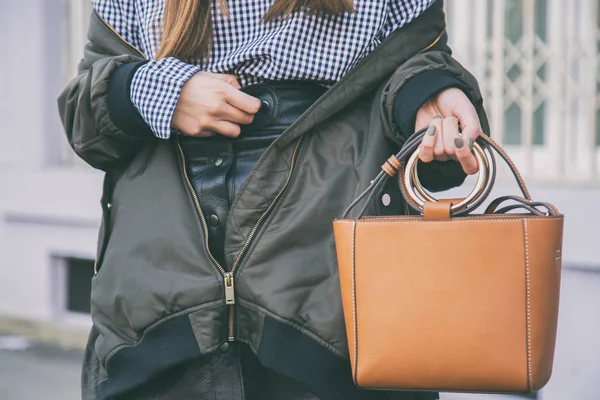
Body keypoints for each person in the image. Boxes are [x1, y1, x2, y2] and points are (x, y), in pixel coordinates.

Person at [58, 1, 489, 399]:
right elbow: (87, 119)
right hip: (155, 308)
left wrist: (428, 95)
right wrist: (160, 92)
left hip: (333, 304)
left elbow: (414, 62)